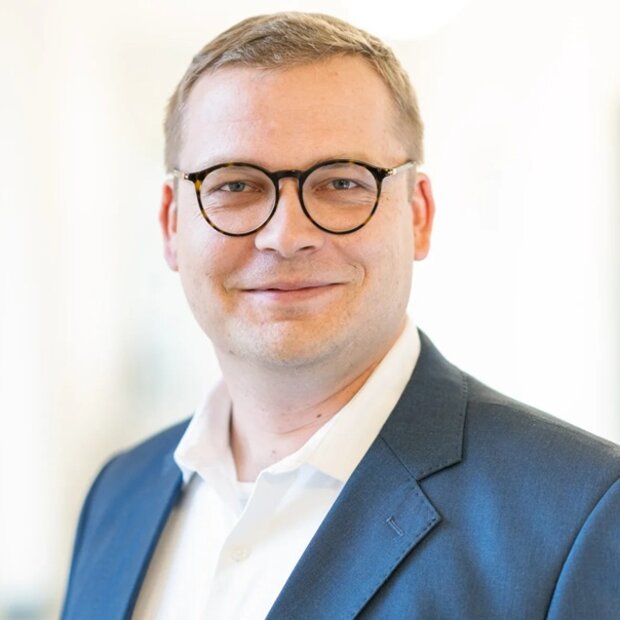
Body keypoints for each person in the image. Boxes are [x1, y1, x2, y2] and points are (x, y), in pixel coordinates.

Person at [61, 12, 620, 620]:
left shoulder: (580, 516)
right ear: (172, 223)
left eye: (341, 183)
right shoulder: (118, 494)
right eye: (236, 185)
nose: (285, 236)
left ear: (419, 215)